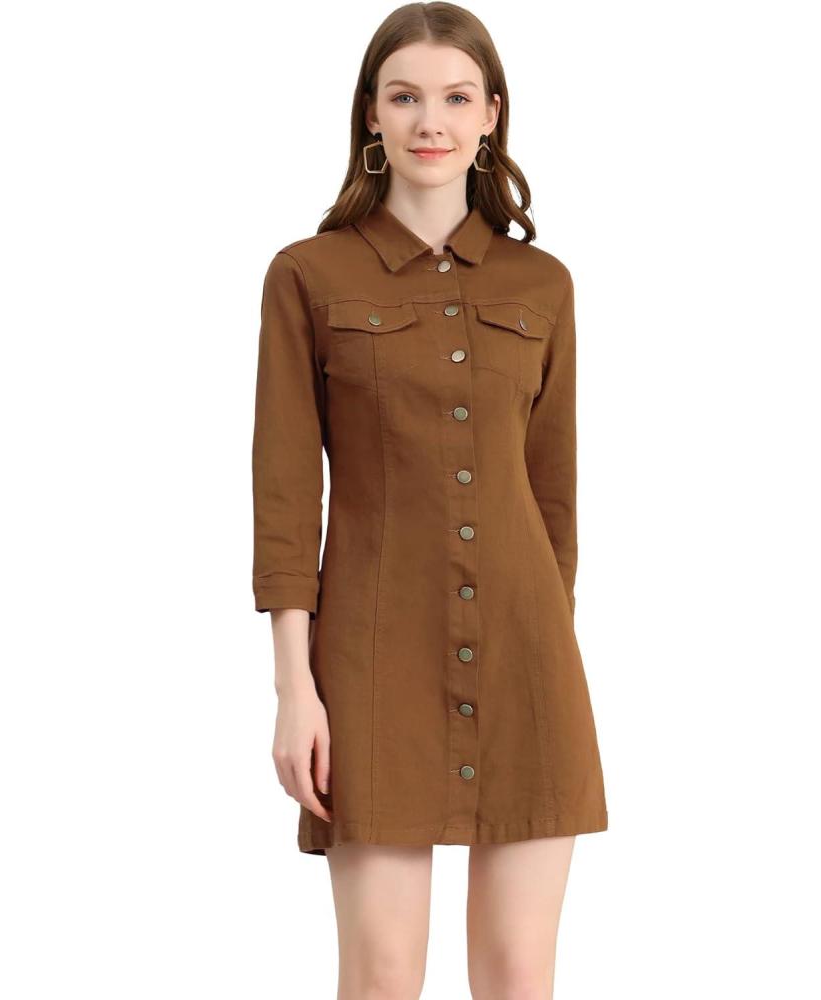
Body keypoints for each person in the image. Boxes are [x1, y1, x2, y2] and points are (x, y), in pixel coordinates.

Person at [252, 3, 608, 995]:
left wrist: (542, 648)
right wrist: (295, 688)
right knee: (381, 974)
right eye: (405, 97)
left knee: (519, 974)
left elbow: (554, 500)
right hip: (371, 661)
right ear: (371, 113)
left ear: (491, 114)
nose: (430, 122)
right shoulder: (307, 276)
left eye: (456, 98)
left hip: (527, 660)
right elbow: (286, 500)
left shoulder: (543, 284)